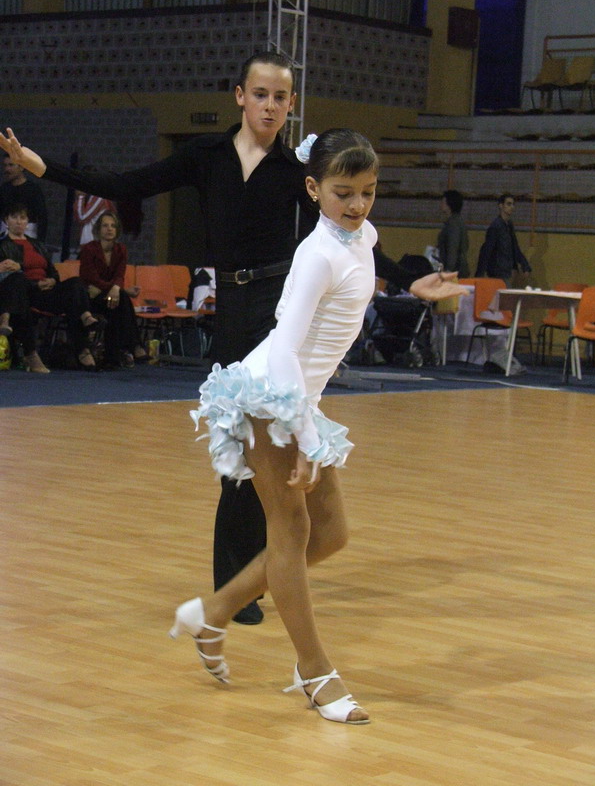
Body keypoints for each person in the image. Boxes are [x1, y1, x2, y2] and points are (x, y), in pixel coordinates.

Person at [0, 51, 317, 625]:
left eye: (280, 97)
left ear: (291, 105)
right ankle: (236, 585)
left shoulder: (296, 171)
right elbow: (126, 184)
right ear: (240, 96)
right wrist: (42, 167)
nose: (270, 106)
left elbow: (343, 230)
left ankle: (251, 578)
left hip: (278, 312)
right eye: (260, 94)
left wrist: (400, 277)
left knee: (270, 449)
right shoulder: (206, 156)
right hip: (232, 310)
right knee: (237, 448)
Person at [168, 129, 467, 725]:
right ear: (313, 189)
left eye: (368, 191)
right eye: (343, 193)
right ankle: (315, 672)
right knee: (292, 529)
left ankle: (213, 612)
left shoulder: (361, 237)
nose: (357, 205)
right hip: (270, 397)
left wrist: (408, 284)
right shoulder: (315, 255)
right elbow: (283, 350)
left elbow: (365, 265)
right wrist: (303, 434)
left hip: (298, 399)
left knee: (330, 535)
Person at [0, 203, 103, 371]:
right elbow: (9, 278)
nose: (19, 221)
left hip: (47, 290)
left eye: (23, 218)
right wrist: (35, 283)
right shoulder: (3, 245)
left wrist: (53, 281)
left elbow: (53, 272)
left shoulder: (38, 245)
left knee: (76, 283)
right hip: (26, 292)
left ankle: (85, 323)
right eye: (14, 217)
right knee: (17, 281)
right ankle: (33, 354)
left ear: (27, 222)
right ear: (6, 220)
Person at [79, 210, 148, 368]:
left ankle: (114, 356)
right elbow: (90, 278)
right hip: (90, 298)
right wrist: (117, 289)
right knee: (121, 298)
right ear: (98, 229)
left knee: (117, 303)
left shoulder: (121, 249)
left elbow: (119, 275)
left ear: (117, 230)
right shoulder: (89, 249)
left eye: (113, 226)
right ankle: (133, 345)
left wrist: (116, 289)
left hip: (109, 297)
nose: (109, 229)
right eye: (105, 226)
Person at [475, 193, 531, 286]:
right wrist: (480, 274)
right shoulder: (496, 226)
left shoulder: (509, 225)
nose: (512, 207)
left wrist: (524, 265)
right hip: (497, 271)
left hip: (505, 270)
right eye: (508, 204)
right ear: (501, 206)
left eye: (513, 204)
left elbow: (515, 247)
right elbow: (487, 250)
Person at [0, 153, 48, 241]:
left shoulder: (33, 190)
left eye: (11, 165)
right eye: (5, 165)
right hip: (5, 237)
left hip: (28, 237)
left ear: (22, 167)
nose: (7, 169)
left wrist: (40, 242)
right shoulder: (4, 189)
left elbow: (42, 217)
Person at [73, 173, 117, 247]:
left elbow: (82, 218)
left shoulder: (99, 198)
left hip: (93, 242)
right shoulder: (94, 197)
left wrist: (80, 196)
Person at [437, 189, 469, 278]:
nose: (441, 204)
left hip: (455, 271)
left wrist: (449, 270)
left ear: (449, 205)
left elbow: (453, 247)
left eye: (443, 202)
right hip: (458, 269)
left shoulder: (453, 223)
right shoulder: (457, 221)